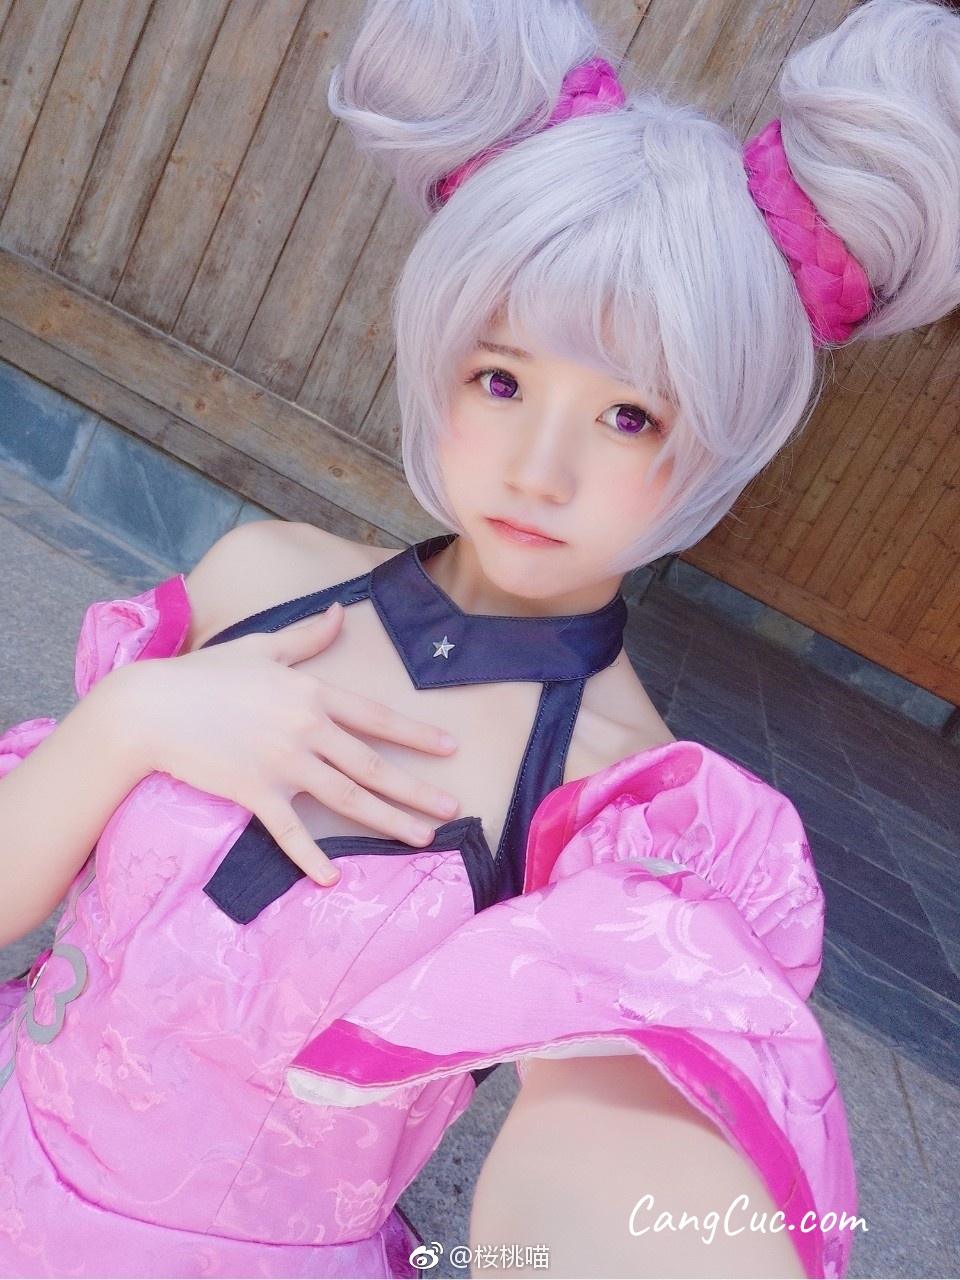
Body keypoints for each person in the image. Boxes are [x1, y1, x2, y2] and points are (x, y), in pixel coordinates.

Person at [1, 0, 958, 1275]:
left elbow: (622, 1174)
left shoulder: (625, 805)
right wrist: (134, 718)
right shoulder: (260, 576)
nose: (538, 470)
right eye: (502, 380)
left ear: (715, 442)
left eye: (628, 415)